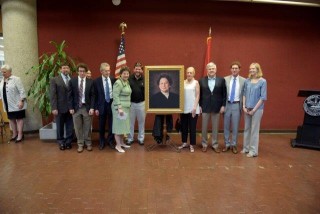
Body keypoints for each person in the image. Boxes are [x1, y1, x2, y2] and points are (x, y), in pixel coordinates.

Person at [199, 62, 226, 153]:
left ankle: (215, 144)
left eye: (213, 68)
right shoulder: (201, 80)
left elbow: (224, 94)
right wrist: (199, 106)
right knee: (204, 127)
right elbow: (199, 95)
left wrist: (223, 105)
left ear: (216, 70)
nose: (211, 70)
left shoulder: (221, 80)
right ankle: (204, 144)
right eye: (209, 68)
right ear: (207, 70)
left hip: (217, 107)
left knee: (215, 127)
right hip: (205, 106)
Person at [68, 63, 95, 153]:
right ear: (77, 72)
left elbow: (93, 96)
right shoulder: (72, 81)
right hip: (76, 108)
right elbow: (70, 95)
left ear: (86, 72)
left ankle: (88, 143)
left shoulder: (91, 82)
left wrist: (92, 107)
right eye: (80, 71)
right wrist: (71, 107)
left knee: (87, 127)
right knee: (77, 127)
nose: (82, 73)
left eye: (83, 71)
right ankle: (80, 144)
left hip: (86, 107)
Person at [242, 62, 267, 158]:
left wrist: (254, 110)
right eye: (250, 68)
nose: (251, 70)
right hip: (247, 109)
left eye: (253, 68)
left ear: (258, 69)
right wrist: (244, 106)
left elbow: (263, 98)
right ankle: (246, 148)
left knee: (254, 130)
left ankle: (253, 151)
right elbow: (244, 94)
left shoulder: (263, 81)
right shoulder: (247, 81)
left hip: (257, 109)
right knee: (247, 129)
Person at [223, 61, 246, 154]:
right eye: (233, 68)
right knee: (226, 126)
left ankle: (234, 145)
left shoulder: (244, 81)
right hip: (227, 105)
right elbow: (223, 93)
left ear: (239, 69)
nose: (234, 70)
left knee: (235, 127)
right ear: (230, 69)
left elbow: (244, 94)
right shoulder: (225, 79)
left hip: (237, 105)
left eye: (236, 68)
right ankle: (227, 144)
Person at [50, 62, 74, 150]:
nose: (65, 70)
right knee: (59, 126)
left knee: (70, 126)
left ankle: (68, 142)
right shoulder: (54, 79)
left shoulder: (72, 79)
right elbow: (53, 95)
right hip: (59, 108)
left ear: (69, 70)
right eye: (64, 68)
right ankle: (61, 142)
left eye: (67, 68)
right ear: (60, 69)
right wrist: (54, 108)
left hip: (71, 108)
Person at [0, 64, 27, 143]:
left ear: (9, 72)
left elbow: (22, 90)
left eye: (4, 72)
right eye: (2, 72)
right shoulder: (2, 80)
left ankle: (20, 135)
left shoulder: (16, 79)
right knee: (11, 119)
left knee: (19, 119)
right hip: (7, 104)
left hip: (17, 103)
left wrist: (21, 101)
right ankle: (14, 134)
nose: (2, 74)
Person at [151, 73, 178, 144]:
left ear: (170, 84)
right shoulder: (154, 97)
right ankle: (159, 138)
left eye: (166, 83)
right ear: (159, 85)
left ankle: (166, 136)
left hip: (168, 115)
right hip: (159, 116)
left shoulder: (176, 97)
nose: (163, 85)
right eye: (161, 83)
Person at [178, 67, 200, 152]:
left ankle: (191, 145)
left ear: (194, 73)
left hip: (193, 108)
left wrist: (194, 107)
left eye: (191, 73)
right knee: (184, 126)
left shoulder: (196, 83)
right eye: (188, 72)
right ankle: (184, 142)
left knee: (192, 127)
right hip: (184, 108)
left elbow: (198, 95)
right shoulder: (182, 82)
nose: (189, 74)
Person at [94, 63, 116, 150]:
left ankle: (110, 140)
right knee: (101, 125)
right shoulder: (96, 81)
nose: (108, 72)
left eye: (109, 70)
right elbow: (95, 96)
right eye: (106, 71)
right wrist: (96, 108)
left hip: (111, 104)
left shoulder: (113, 79)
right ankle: (102, 141)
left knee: (111, 124)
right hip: (101, 105)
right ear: (101, 71)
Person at [112, 66, 132, 153]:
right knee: (118, 127)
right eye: (124, 73)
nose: (126, 75)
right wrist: (119, 107)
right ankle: (118, 145)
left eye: (127, 73)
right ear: (121, 74)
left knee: (123, 127)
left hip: (126, 108)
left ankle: (122, 143)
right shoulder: (118, 83)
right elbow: (115, 96)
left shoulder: (127, 82)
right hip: (119, 108)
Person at [127, 62, 146, 145]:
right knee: (130, 122)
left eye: (139, 69)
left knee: (141, 122)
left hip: (142, 104)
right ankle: (130, 138)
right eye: (136, 68)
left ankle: (141, 138)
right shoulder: (129, 79)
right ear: (134, 69)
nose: (138, 70)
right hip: (131, 104)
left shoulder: (146, 79)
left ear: (141, 70)